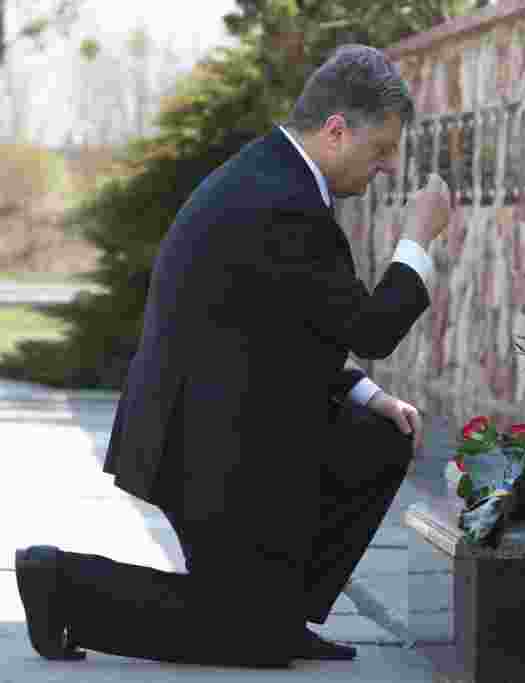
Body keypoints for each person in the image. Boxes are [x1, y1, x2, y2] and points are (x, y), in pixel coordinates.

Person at [14, 44, 450, 668]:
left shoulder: (276, 176)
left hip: (236, 428)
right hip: (204, 450)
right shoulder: (284, 202)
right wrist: (416, 239)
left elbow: (276, 331)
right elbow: (371, 330)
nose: (387, 167)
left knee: (378, 436)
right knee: (244, 637)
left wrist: (364, 392)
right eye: (381, 150)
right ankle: (62, 584)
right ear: (336, 131)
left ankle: (279, 609)